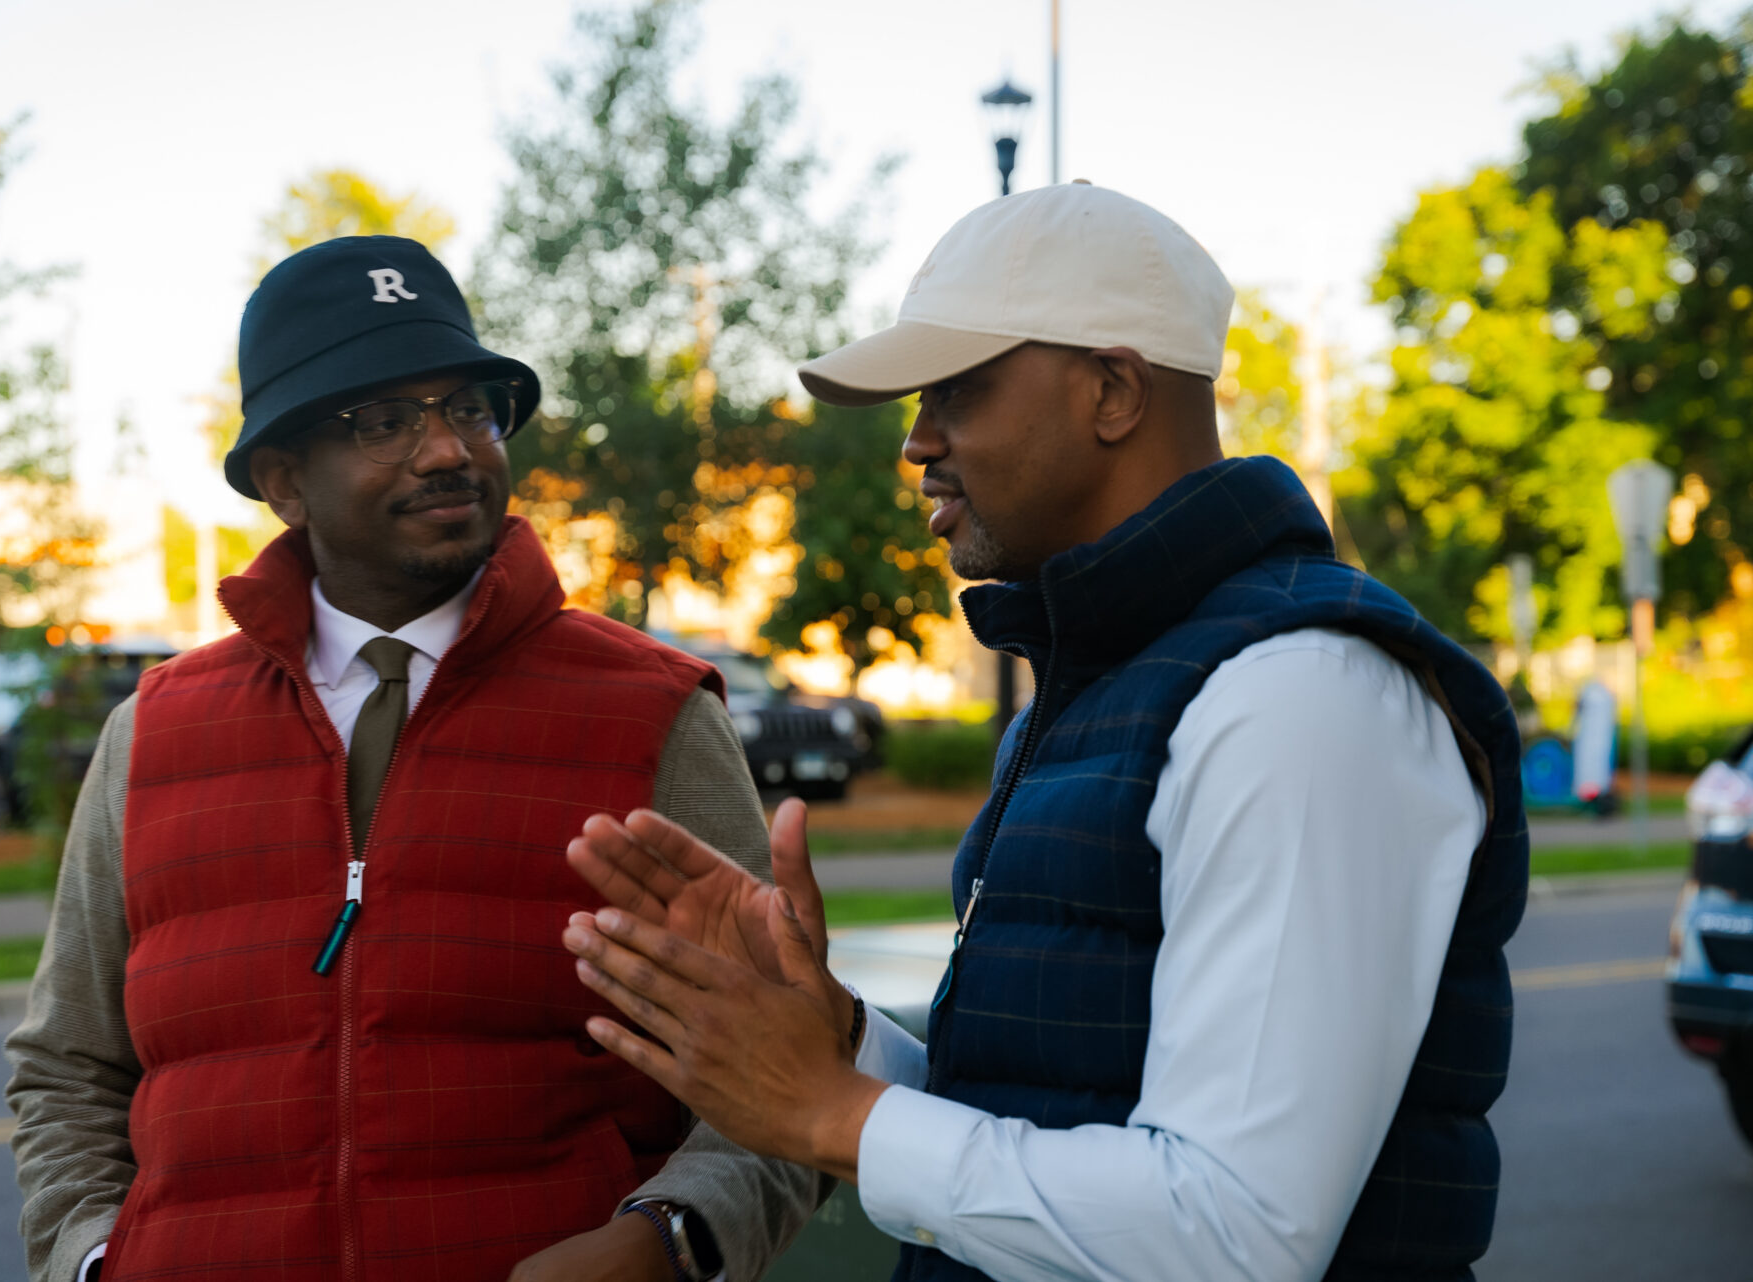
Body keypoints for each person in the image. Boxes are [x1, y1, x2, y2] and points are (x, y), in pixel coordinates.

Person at [560, 183, 1530, 1281]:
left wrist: (835, 1118)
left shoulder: (1300, 692)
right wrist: (832, 1031)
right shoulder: (1099, 683)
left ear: (1113, 390)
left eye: (956, 391)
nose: (919, 443)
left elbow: (1236, 1234)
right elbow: (1043, 1112)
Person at [4, 236, 820, 1282]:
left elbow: (784, 1064)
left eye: (469, 408)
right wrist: (92, 1257)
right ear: (284, 480)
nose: (447, 450)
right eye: (386, 421)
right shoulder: (153, 732)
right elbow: (67, 1064)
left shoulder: (653, 713)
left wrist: (670, 1236)